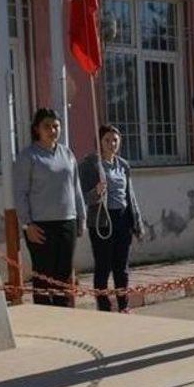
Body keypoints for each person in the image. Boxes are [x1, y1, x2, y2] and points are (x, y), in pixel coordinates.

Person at [13, 108, 85, 307]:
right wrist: (27, 225)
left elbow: (76, 187)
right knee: (44, 276)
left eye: (56, 126)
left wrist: (81, 216)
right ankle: (44, 316)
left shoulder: (67, 154)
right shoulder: (28, 156)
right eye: (47, 126)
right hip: (40, 226)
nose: (52, 130)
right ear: (37, 129)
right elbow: (20, 193)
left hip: (67, 222)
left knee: (63, 276)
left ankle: (64, 315)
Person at [78, 125, 143, 312]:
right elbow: (82, 196)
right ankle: (104, 307)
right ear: (99, 142)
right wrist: (96, 192)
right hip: (102, 221)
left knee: (121, 266)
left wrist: (137, 222)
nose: (112, 144)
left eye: (115, 140)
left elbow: (130, 195)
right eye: (107, 140)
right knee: (103, 265)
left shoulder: (123, 165)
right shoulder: (90, 165)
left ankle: (123, 305)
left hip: (122, 218)